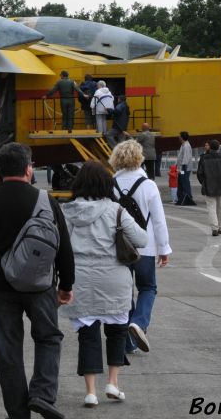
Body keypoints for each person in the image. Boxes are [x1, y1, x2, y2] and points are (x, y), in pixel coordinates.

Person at [0, 142, 74, 419]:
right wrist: (66, 285)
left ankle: (17, 412)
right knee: (49, 337)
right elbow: (63, 246)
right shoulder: (45, 200)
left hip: (0, 288)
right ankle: (42, 394)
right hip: (40, 286)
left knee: (7, 350)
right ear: (29, 169)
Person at [62, 161, 147, 407]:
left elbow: (60, 245)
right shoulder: (116, 210)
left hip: (81, 280)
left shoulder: (67, 211)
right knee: (116, 332)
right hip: (114, 279)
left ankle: (90, 392)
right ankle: (113, 383)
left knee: (87, 336)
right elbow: (141, 239)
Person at [111, 139, 171, 354]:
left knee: (125, 292)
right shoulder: (148, 185)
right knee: (147, 287)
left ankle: (129, 340)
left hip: (119, 248)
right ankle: (139, 322)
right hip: (145, 247)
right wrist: (164, 248)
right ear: (140, 158)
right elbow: (158, 220)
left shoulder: (111, 184)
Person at [196, 139, 221, 236]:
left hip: (209, 186)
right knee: (220, 207)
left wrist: (204, 183)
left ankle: (214, 228)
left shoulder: (204, 158)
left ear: (210, 147)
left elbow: (199, 173)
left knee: (211, 207)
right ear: (219, 147)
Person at [175, 132, 195, 206]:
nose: (178, 138)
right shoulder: (183, 145)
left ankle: (188, 197)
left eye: (179, 136)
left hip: (184, 168)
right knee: (180, 182)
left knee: (185, 182)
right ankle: (181, 198)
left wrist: (182, 169)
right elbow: (180, 157)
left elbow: (186, 158)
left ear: (182, 137)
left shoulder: (186, 146)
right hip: (181, 168)